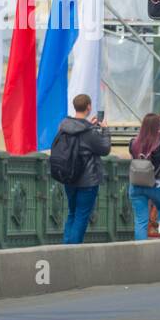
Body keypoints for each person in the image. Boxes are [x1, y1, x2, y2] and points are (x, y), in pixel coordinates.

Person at [52, 93, 111, 244]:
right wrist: (104, 130)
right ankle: (73, 252)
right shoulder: (89, 131)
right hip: (87, 181)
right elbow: (104, 149)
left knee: (72, 213)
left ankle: (66, 248)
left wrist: (90, 126)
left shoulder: (63, 127)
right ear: (89, 107)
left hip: (68, 177)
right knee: (81, 216)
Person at [128, 112, 160, 240]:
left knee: (141, 221)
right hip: (155, 184)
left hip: (136, 184)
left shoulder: (133, 143)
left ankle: (140, 252)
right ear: (157, 126)